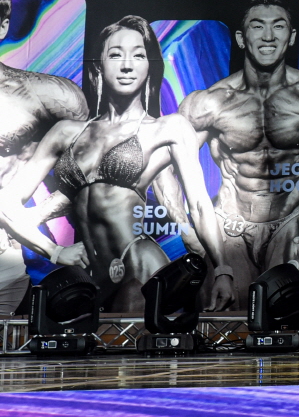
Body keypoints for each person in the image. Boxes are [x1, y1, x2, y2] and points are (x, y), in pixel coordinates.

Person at [0, 16, 232, 313]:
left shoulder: (168, 128)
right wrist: (55, 251)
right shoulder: (66, 132)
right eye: (115, 55)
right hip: (95, 277)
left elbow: (199, 205)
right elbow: (6, 203)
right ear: (99, 65)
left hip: (140, 265)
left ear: (149, 66)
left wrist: (223, 270)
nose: (127, 65)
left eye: (138, 55)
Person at [172, 0, 299, 297]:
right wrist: (186, 229)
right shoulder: (210, 103)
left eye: (279, 26)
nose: (268, 36)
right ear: (241, 38)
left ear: (292, 37)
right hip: (228, 227)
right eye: (257, 26)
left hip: (291, 225)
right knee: (224, 319)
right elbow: (165, 164)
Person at [0, 0, 89, 314]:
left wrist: (36, 221)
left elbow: (91, 169)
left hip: (5, 258)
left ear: (3, 26)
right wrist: (53, 250)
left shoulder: (47, 96)